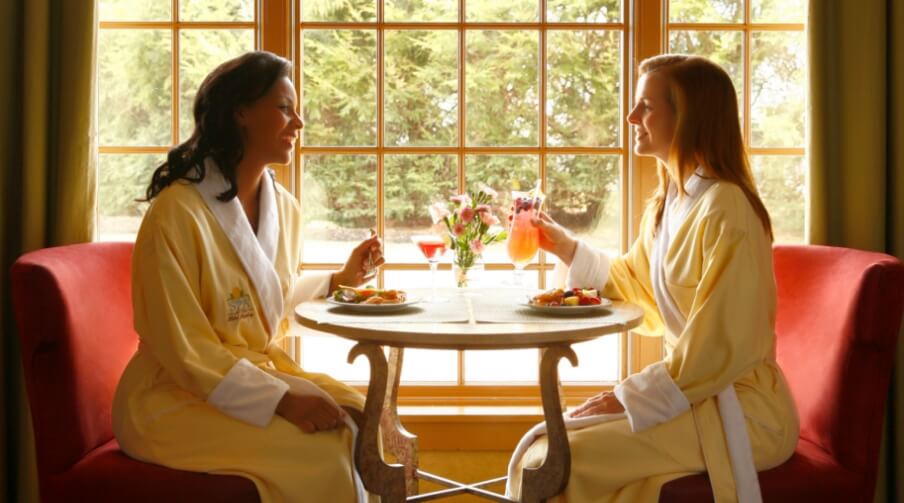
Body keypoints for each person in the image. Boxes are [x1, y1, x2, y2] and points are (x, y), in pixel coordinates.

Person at [507, 54, 800, 502]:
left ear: (688, 118)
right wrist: (565, 245)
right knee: (547, 449)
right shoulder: (671, 203)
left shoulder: (728, 210)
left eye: (645, 106)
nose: (631, 117)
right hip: (688, 393)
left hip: (741, 409)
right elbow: (634, 286)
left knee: (555, 460)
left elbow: (718, 347)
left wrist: (627, 397)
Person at [112, 51, 383, 503]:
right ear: (240, 111)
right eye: (284, 108)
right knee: (323, 453)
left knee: (361, 419)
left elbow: (257, 304)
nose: (298, 123)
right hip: (171, 398)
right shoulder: (176, 213)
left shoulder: (286, 210)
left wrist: (340, 280)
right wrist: (281, 398)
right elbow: (184, 347)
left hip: (249, 376)